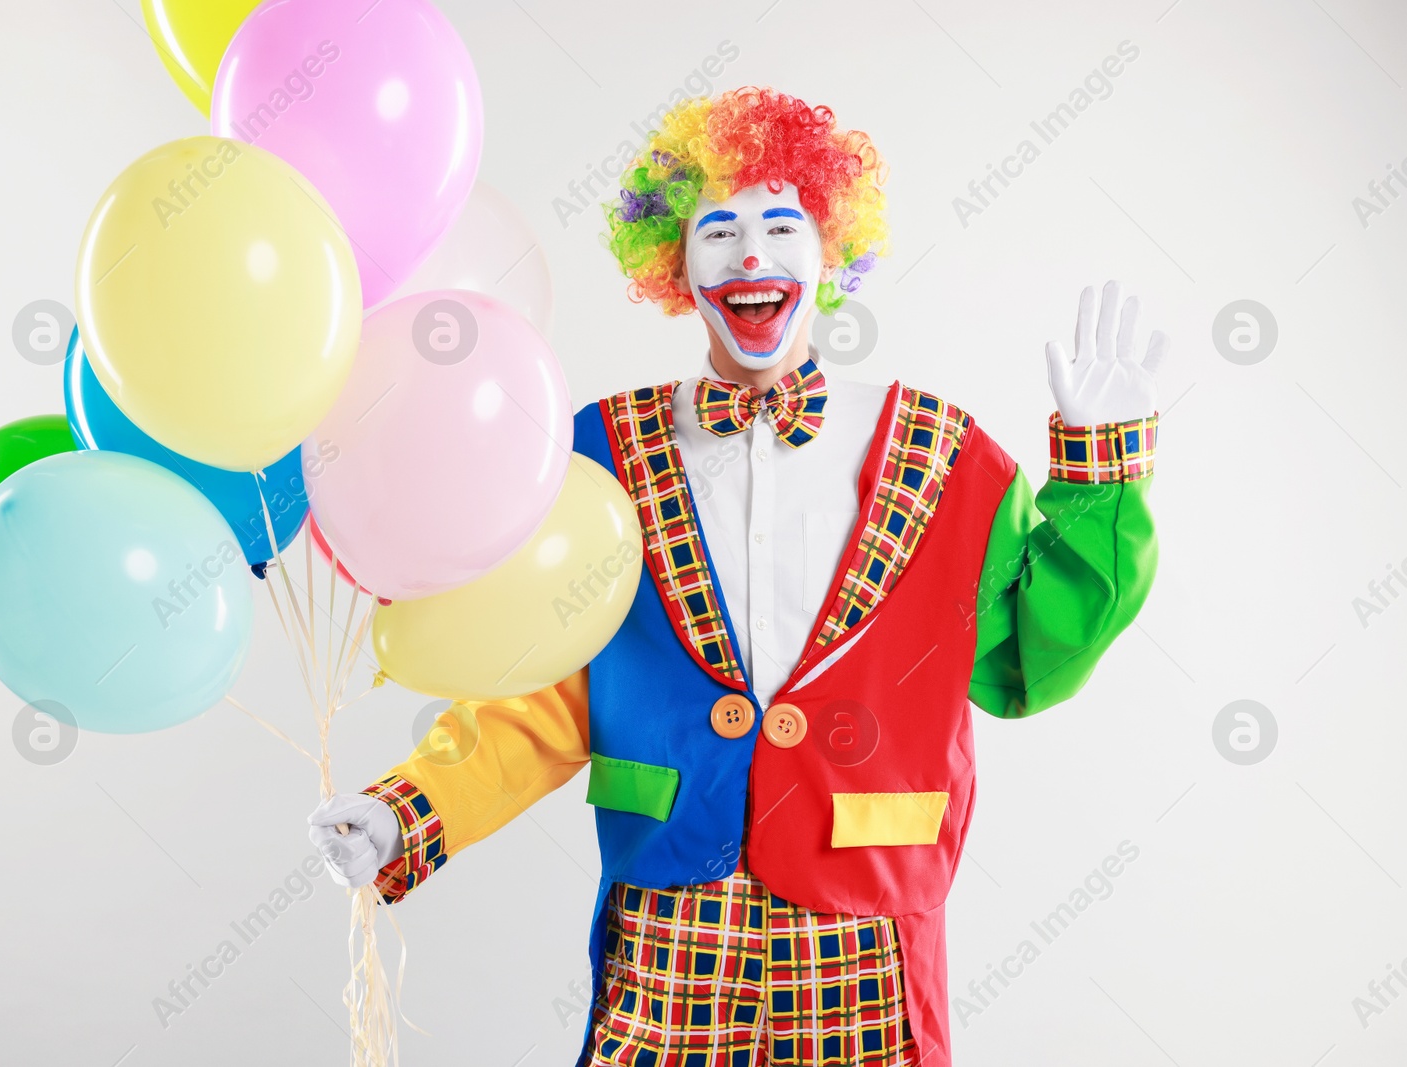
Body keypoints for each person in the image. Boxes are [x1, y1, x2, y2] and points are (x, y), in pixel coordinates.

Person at [310, 86, 1165, 1067]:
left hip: (863, 926)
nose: (750, 256)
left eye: (779, 224)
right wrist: (407, 811)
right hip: (669, 922)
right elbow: (534, 696)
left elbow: (1027, 663)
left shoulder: (943, 452)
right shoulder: (595, 453)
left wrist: (1101, 476)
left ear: (831, 251)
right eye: (717, 231)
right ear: (675, 263)